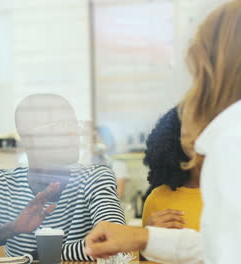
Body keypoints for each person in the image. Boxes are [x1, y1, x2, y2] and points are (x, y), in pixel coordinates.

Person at [84, 1, 241, 263]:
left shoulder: (231, 144)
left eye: (195, 76)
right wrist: (143, 238)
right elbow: (225, 246)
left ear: (215, 76)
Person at [0, 94, 125, 261]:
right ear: (27, 136)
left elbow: (115, 242)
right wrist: (9, 230)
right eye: (61, 125)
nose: (74, 132)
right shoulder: (0, 185)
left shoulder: (95, 177)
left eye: (74, 124)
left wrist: (34, 257)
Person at [142, 107, 202, 231]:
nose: (199, 133)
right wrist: (149, 239)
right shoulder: (158, 199)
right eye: (191, 124)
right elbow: (145, 250)